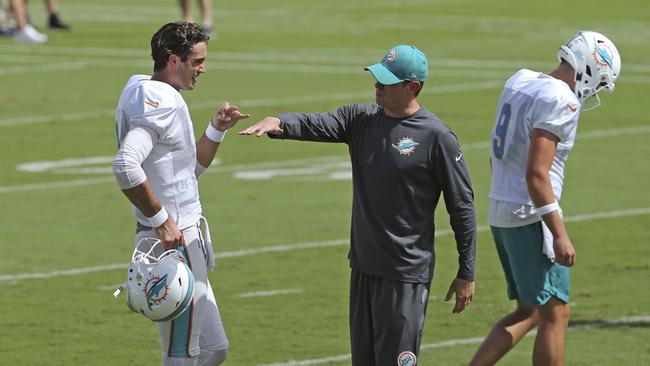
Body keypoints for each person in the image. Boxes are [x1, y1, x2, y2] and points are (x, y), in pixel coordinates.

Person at [240, 45, 477, 366]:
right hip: (364, 267)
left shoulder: (437, 137)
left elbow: (462, 206)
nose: (377, 86)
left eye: (386, 82)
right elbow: (316, 123)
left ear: (413, 87)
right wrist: (279, 122)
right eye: (377, 79)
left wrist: (467, 271)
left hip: (405, 274)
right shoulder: (361, 119)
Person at [469, 30, 621, 366]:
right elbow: (536, 173)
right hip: (530, 213)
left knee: (532, 309)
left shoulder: (521, 79)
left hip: (501, 207)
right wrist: (559, 232)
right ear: (590, 68)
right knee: (556, 313)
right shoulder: (561, 99)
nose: (594, 90)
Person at [112, 21, 249, 366]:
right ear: (173, 60)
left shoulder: (142, 88)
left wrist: (216, 130)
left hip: (180, 235)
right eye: (196, 61)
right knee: (182, 353)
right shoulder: (162, 101)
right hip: (173, 241)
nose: (203, 69)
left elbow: (185, 171)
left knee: (214, 348)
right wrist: (162, 221)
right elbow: (126, 165)